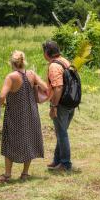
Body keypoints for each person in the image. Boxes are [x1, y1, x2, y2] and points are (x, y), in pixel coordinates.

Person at [0, 51, 49, 183]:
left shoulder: (11, 77)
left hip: (15, 114)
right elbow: (45, 87)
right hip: (31, 113)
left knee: (10, 141)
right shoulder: (31, 74)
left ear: (12, 63)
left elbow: (1, 96)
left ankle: (7, 174)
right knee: (29, 140)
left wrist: (1, 104)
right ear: (23, 61)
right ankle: (25, 173)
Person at [43, 41, 75, 172]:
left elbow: (58, 88)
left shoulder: (54, 66)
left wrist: (53, 106)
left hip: (61, 104)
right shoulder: (65, 61)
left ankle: (65, 164)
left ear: (46, 53)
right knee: (60, 132)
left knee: (61, 133)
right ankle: (57, 160)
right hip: (70, 102)